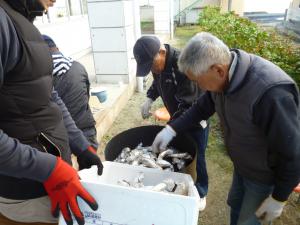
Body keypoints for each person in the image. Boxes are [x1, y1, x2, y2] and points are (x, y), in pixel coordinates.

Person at [152, 32, 300, 225]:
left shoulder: (270, 93)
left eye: (197, 80)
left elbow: (293, 152)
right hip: (242, 166)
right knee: (236, 206)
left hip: (263, 175)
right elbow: (202, 107)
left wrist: (279, 198)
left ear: (218, 71)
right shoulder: (223, 76)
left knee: (250, 221)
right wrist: (171, 129)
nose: (198, 86)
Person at [0, 1, 103, 225]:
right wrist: (49, 169)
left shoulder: (23, 21)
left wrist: (80, 144)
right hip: (26, 194)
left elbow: (49, 96)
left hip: (52, 183)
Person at [133, 36, 209, 210]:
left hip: (196, 121)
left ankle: (202, 192)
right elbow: (157, 83)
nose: (152, 69)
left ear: (161, 52)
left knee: (198, 157)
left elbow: (189, 106)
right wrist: (149, 99)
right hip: (177, 120)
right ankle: (181, 182)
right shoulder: (158, 65)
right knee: (181, 154)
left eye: (151, 65)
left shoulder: (183, 66)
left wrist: (170, 128)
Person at [42, 35, 98, 149]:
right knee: (93, 165)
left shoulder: (41, 75)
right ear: (57, 48)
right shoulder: (78, 66)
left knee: (68, 166)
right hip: (87, 129)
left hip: (61, 136)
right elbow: (86, 95)